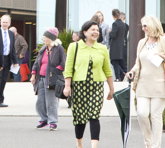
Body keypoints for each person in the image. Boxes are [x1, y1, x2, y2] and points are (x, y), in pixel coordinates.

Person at [126, 16, 165, 148]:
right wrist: (132, 71)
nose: (143, 28)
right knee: (142, 114)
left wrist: (164, 57)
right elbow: (138, 63)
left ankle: (155, 145)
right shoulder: (142, 43)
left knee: (156, 116)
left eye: (145, 25)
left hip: (160, 85)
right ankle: (148, 143)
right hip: (142, 85)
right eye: (142, 26)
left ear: (153, 25)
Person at [63, 20, 114, 148]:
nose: (96, 32)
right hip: (79, 86)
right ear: (85, 32)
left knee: (94, 116)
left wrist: (111, 88)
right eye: (93, 30)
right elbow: (68, 68)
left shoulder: (102, 48)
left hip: (96, 86)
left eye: (97, 30)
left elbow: (107, 70)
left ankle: (94, 146)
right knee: (80, 118)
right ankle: (79, 144)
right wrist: (67, 86)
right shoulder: (74, 47)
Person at [30, 27, 66, 131]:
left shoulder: (58, 49)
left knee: (51, 102)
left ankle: (53, 122)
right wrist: (33, 74)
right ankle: (43, 119)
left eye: (45, 37)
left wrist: (54, 71)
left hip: (52, 79)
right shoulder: (43, 49)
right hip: (41, 79)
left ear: (51, 38)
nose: (43, 39)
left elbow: (64, 63)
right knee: (40, 101)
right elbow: (37, 62)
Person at [0, 15, 17, 107]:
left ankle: (0, 99)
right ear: (0, 23)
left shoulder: (11, 34)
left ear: (9, 23)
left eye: (6, 22)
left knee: (3, 80)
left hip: (7, 59)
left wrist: (15, 61)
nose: (5, 24)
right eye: (3, 22)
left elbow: (12, 48)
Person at [108, 9, 129, 81]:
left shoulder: (115, 24)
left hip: (115, 46)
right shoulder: (124, 25)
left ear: (113, 16)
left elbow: (113, 35)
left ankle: (118, 77)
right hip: (121, 46)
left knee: (114, 62)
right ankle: (124, 75)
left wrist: (110, 32)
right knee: (121, 63)